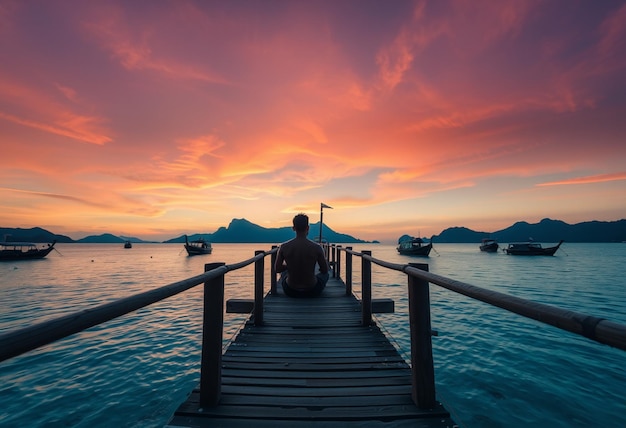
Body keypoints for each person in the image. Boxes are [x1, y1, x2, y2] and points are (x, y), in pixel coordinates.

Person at [275, 213, 330, 297]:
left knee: (284, 274)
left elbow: (277, 269)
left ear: (293, 228)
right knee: (325, 275)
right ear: (308, 228)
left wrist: (289, 266)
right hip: (312, 290)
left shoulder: (284, 247)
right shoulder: (317, 247)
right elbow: (325, 270)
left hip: (291, 290)